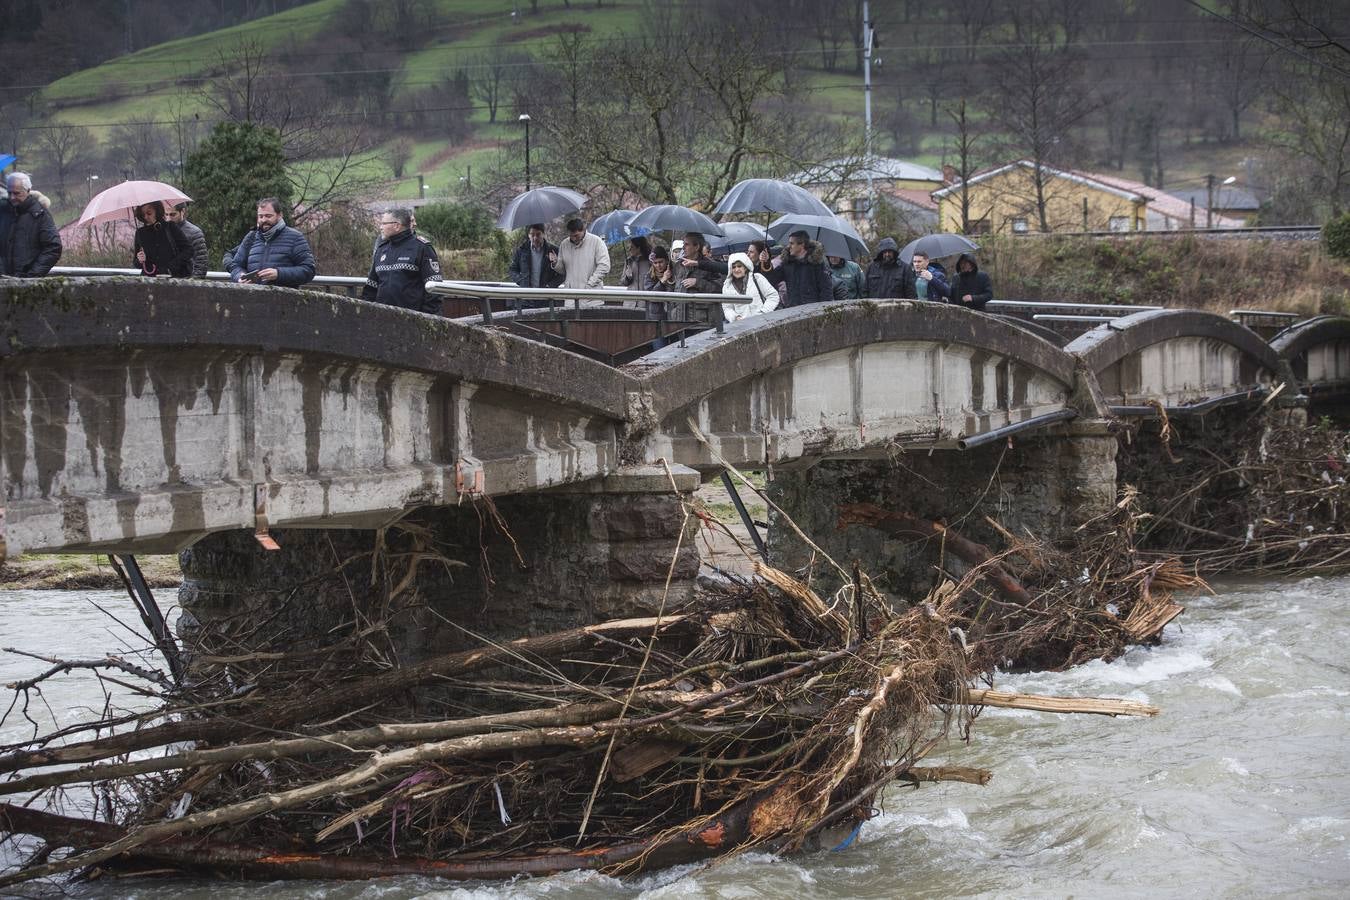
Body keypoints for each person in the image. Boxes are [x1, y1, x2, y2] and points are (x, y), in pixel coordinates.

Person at [362, 208, 442, 314]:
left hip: (414, 320)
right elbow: (371, 288)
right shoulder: (381, 249)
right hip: (382, 319)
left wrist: (425, 319)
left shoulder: (422, 248)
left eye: (384, 223)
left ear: (397, 225)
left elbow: (434, 289)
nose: (381, 227)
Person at [227, 197, 316, 287]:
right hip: (252, 298)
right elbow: (236, 265)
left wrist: (279, 274)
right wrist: (239, 276)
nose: (263, 220)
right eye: (260, 216)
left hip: (284, 299)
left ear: (280, 215)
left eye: (268, 216)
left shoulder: (295, 237)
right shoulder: (251, 237)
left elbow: (308, 270)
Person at [0, 172, 61, 277]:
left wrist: (32, 276)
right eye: (9, 193)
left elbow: (53, 247)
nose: (12, 197)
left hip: (26, 284)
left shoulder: (40, 215)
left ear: (28, 191)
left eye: (16, 193)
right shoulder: (3, 211)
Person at [132, 201, 192, 278]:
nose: (146, 217)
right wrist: (140, 260)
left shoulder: (170, 227)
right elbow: (136, 263)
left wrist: (171, 266)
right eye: (143, 214)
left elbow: (188, 250)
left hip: (173, 277)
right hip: (150, 280)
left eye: (149, 213)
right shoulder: (140, 233)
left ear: (157, 211)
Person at [776, 230, 834, 307]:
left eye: (792, 243)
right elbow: (772, 278)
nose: (788, 246)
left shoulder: (818, 264)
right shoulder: (787, 263)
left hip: (813, 312)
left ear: (802, 245)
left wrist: (824, 312)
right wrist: (765, 262)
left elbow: (826, 291)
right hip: (792, 310)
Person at [550, 217, 609, 289]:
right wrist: (556, 263)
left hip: (591, 295)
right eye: (571, 236)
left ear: (583, 230)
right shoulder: (564, 244)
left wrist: (590, 284)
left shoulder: (597, 242)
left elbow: (604, 266)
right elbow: (564, 271)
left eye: (576, 235)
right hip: (571, 295)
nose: (573, 238)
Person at [721, 251, 780, 323]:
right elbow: (727, 308)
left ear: (745, 267)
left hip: (763, 322)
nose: (736, 269)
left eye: (739, 266)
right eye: (733, 267)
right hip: (742, 327)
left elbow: (773, 296)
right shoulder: (727, 287)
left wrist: (764, 312)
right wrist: (735, 317)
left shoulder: (757, 278)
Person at [508, 223, 563, 289]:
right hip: (526, 294)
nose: (535, 238)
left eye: (538, 234)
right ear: (529, 235)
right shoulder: (522, 250)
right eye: (532, 235)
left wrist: (550, 286)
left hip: (546, 295)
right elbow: (512, 270)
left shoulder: (553, 250)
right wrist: (521, 281)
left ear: (543, 234)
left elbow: (562, 274)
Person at [166, 202, 209, 277]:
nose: (168, 219)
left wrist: (192, 284)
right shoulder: (162, 230)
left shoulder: (194, 233)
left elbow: (201, 263)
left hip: (185, 280)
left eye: (173, 214)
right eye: (166, 214)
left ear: (182, 211)